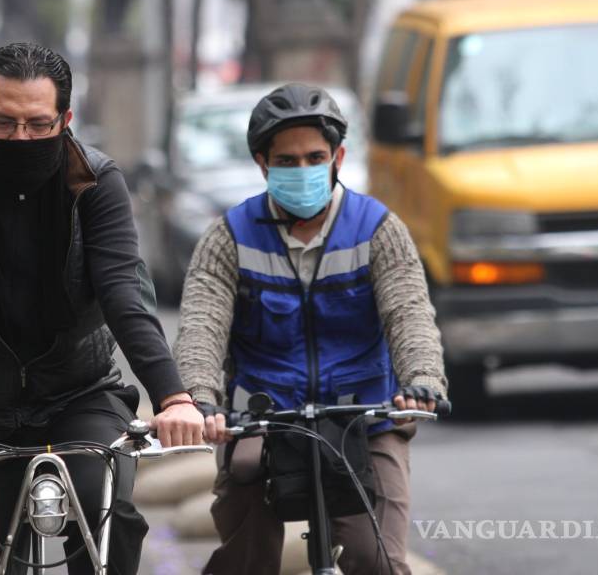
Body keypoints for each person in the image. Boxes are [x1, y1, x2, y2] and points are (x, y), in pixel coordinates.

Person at [0, 42, 205, 574]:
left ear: (65, 119)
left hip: (77, 392)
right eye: (3, 123)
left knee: (105, 515)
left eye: (38, 124)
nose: (21, 138)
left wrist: (174, 398)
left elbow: (125, 294)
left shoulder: (97, 181)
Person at [173, 83, 447, 575]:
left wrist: (422, 381)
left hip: (365, 417)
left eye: (315, 157)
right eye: (287, 161)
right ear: (263, 164)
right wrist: (198, 399)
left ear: (338, 156)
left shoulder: (379, 228)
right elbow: (201, 327)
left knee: (377, 560)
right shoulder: (227, 237)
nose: (303, 171)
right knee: (245, 557)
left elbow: (409, 314)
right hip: (261, 417)